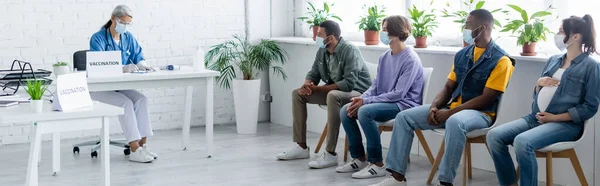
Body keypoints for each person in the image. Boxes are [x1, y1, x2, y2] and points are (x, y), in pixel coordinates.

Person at [370, 9, 515, 186]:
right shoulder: (463, 54)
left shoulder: (502, 60)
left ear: (482, 27)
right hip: (452, 109)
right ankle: (397, 177)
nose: (465, 29)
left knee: (455, 122)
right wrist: (435, 106)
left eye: (468, 25)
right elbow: (448, 86)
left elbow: (487, 98)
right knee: (403, 117)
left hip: (481, 113)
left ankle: (445, 182)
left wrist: (451, 112)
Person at [487, 15, 600, 186]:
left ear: (575, 36)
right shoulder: (553, 60)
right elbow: (537, 95)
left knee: (522, 142)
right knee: (494, 136)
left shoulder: (591, 66)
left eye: (561, 31)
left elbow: (590, 107)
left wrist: (554, 118)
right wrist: (538, 83)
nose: (557, 34)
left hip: (565, 125)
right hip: (536, 118)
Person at [336, 15, 424, 179]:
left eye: (384, 30)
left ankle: (377, 163)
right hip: (386, 102)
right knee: (345, 110)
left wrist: (366, 102)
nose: (382, 33)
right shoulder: (385, 57)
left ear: (396, 32)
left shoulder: (410, 59)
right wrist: (361, 98)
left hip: (404, 105)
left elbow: (399, 93)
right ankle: (360, 158)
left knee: (365, 112)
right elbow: (376, 86)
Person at [276, 20, 372, 169]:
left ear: (331, 37)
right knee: (297, 94)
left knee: (333, 95)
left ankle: (330, 154)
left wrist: (317, 89)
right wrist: (308, 84)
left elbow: (348, 84)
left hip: (358, 93)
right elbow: (314, 72)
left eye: (320, 35)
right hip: (334, 92)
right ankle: (301, 147)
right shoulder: (322, 50)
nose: (316, 37)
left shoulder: (350, 50)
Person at [89, 5, 157, 163]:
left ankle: (143, 146)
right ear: (113, 19)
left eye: (128, 24)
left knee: (141, 99)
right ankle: (134, 149)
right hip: (99, 88)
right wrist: (122, 68)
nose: (124, 26)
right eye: (122, 22)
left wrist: (142, 64)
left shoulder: (128, 37)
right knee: (125, 103)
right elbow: (98, 66)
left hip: (119, 86)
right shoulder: (98, 38)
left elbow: (137, 54)